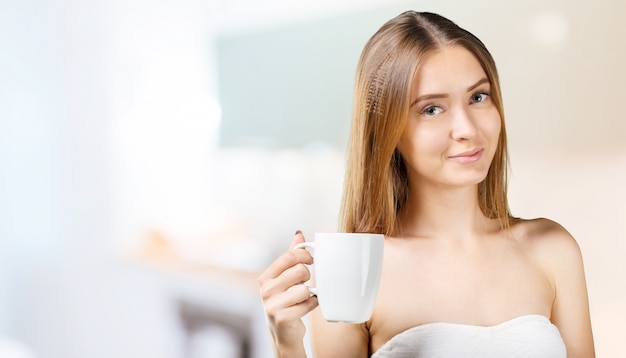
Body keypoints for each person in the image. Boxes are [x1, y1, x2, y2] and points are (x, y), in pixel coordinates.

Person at [258, 10, 595, 357]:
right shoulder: (354, 273)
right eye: (432, 109)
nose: (467, 129)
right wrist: (287, 344)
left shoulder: (553, 250)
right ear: (388, 130)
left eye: (478, 97)